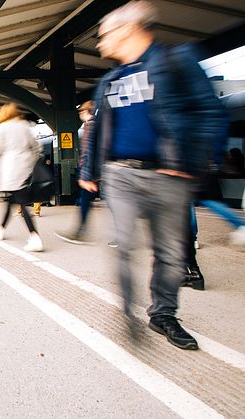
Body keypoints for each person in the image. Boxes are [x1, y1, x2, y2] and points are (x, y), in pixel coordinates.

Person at [78, 1, 226, 350]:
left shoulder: (177, 61)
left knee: (172, 252)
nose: (100, 44)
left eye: (104, 36)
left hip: (168, 173)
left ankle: (163, 314)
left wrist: (193, 163)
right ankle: (128, 312)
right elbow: (98, 129)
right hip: (120, 173)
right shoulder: (108, 81)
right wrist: (88, 170)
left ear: (127, 29)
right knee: (124, 242)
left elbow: (209, 112)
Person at [0, 103, 43, 252]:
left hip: (11, 169)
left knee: (20, 202)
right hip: (25, 168)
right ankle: (0, 229)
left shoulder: (1, 128)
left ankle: (35, 237)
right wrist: (31, 162)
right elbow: (36, 147)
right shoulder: (24, 125)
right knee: (11, 200)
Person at [56, 100, 98, 244]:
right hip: (95, 171)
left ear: (86, 112)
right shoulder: (96, 125)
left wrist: (86, 175)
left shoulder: (90, 126)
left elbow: (88, 151)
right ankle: (79, 231)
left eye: (81, 112)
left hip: (91, 172)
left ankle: (79, 232)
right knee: (86, 201)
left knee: (86, 201)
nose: (80, 114)